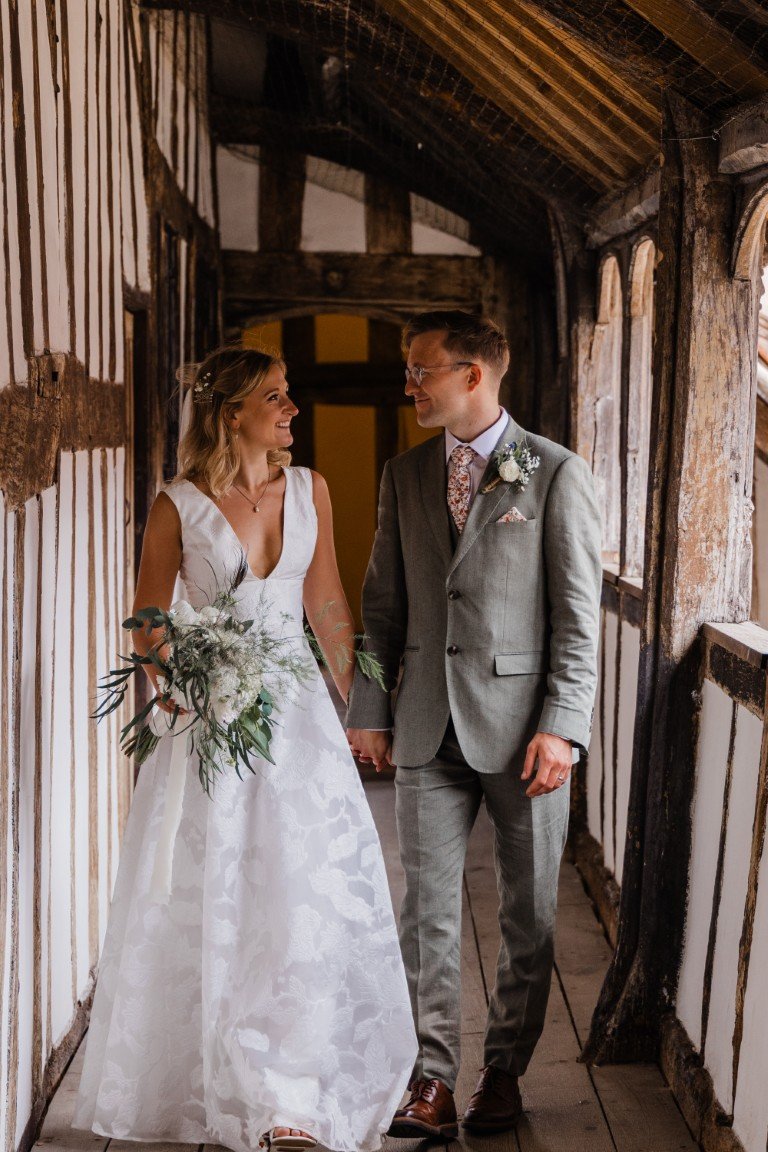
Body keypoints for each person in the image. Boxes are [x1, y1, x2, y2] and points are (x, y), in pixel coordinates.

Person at [74, 346, 417, 1152]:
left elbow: (325, 595)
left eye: (289, 395)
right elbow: (150, 620)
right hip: (211, 728)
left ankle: (291, 1094)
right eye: (276, 397)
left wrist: (361, 704)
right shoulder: (179, 505)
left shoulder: (310, 490)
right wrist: (182, 688)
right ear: (232, 413)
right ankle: (230, 1079)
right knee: (219, 892)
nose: (292, 409)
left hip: (296, 722)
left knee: (304, 893)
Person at [347, 311, 602, 1138]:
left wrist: (563, 726)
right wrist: (371, 708)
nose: (409, 383)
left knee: (528, 911)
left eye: (422, 369)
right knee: (426, 911)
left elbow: (576, 618)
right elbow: (381, 604)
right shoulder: (405, 474)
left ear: (473, 376)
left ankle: (502, 1071)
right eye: (408, 369)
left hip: (527, 731)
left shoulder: (555, 474)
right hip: (424, 723)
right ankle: (433, 1079)